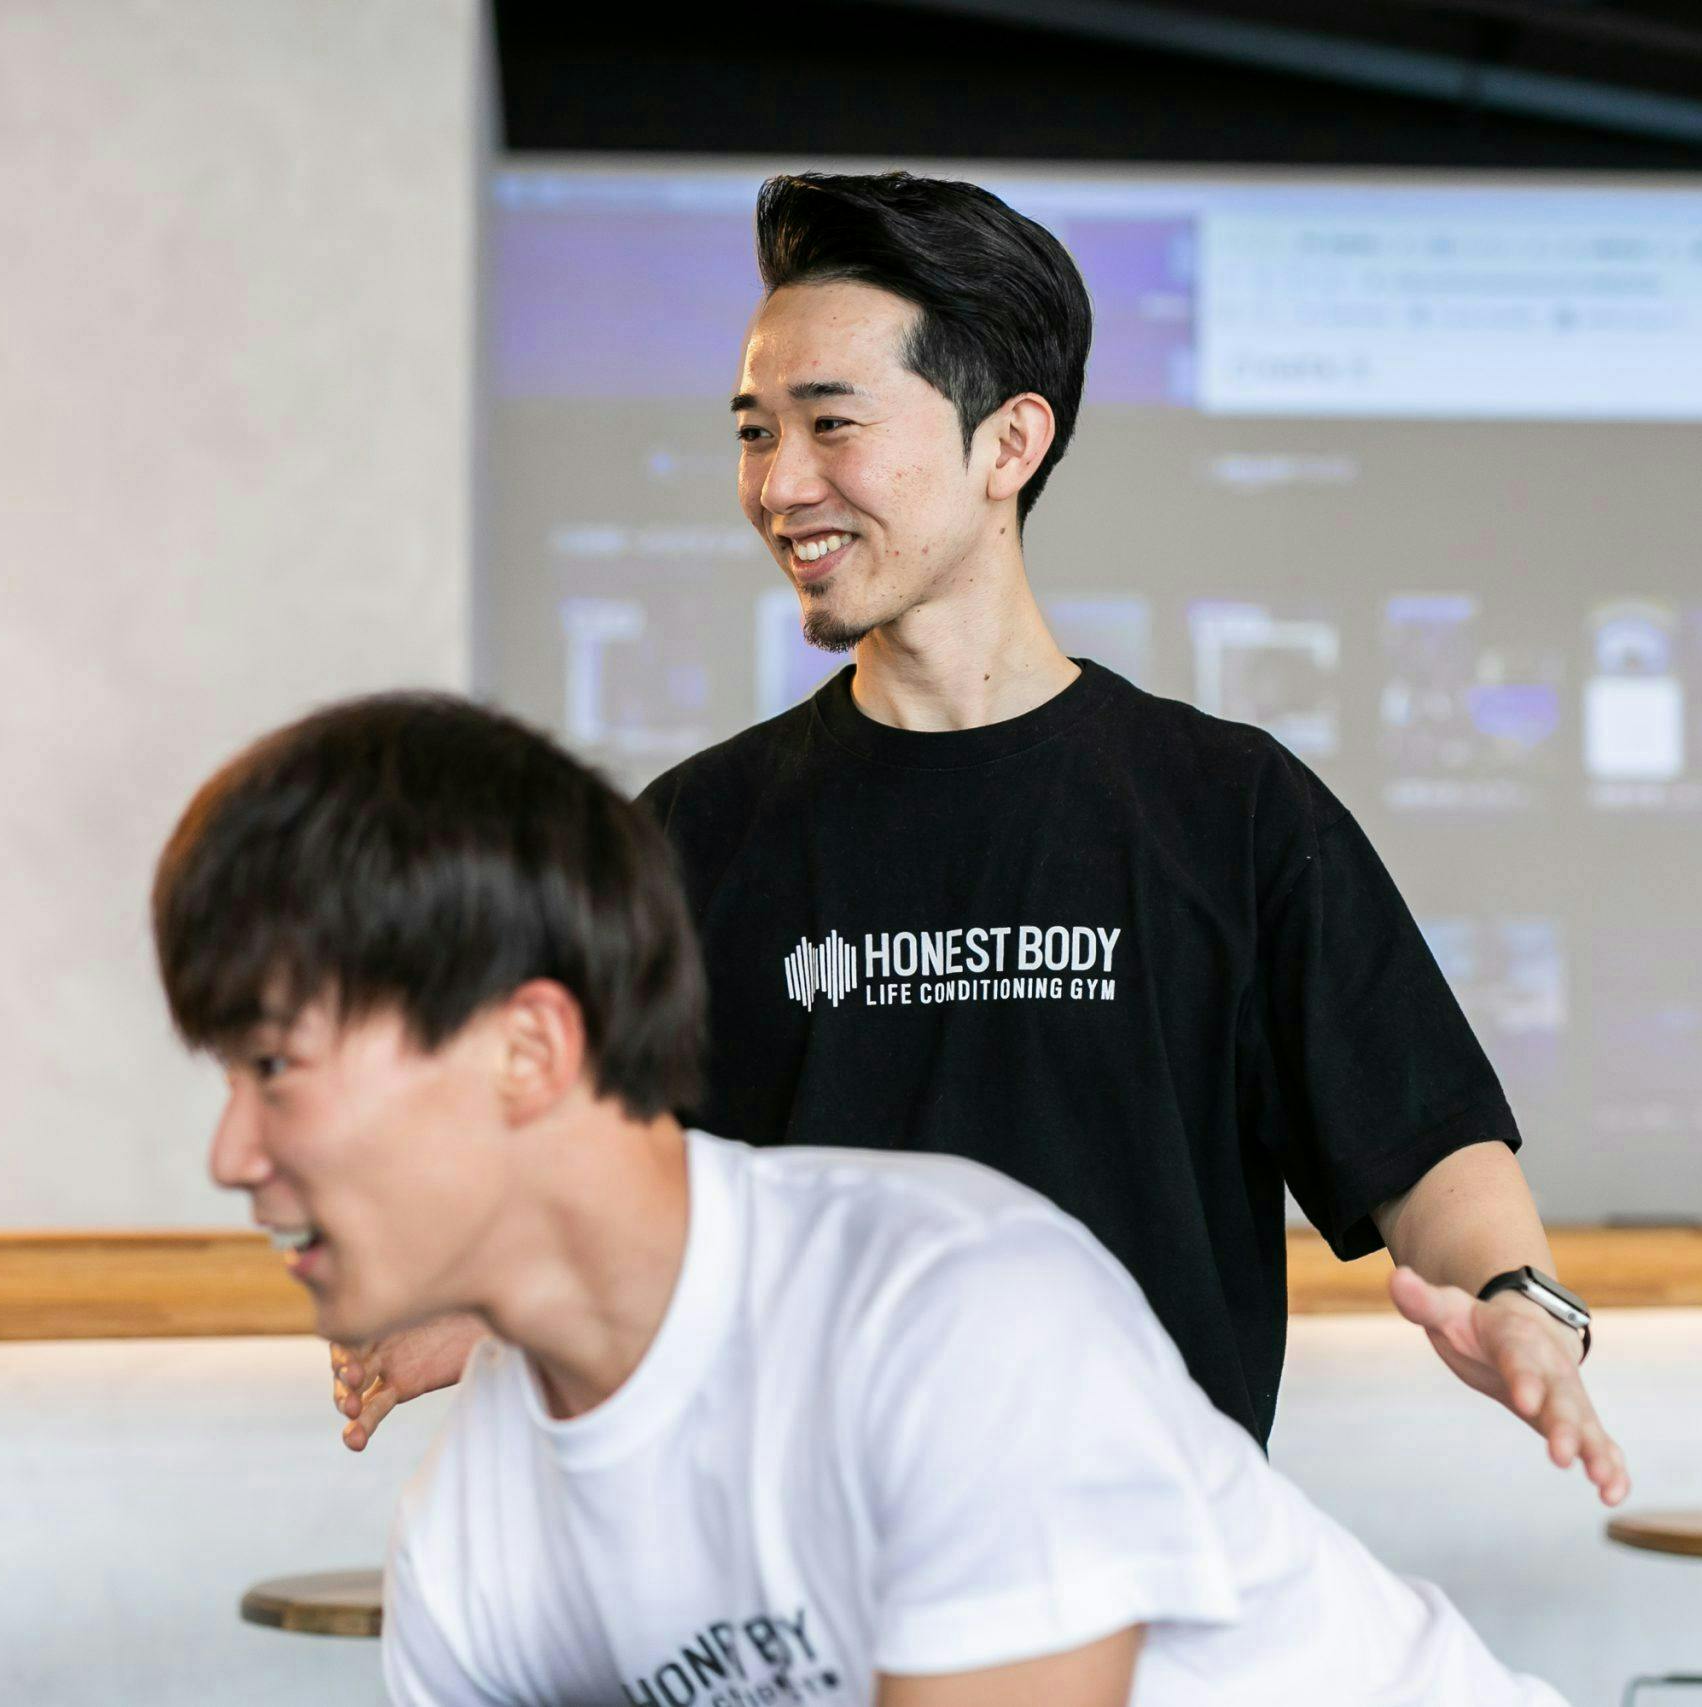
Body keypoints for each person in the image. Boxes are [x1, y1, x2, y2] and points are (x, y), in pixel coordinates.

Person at [332, 170, 1628, 1506]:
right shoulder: (692, 833)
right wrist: (485, 1293)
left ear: (1008, 445)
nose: (780, 484)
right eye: (755, 433)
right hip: (792, 1567)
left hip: (1146, 1565)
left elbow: (1424, 1146)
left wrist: (1516, 1300)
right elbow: (593, 1190)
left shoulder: (1230, 809)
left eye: (832, 424)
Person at [156, 693, 1569, 1707]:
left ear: (530, 1048)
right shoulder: (476, 1537)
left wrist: (1521, 1297)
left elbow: (1425, 1139)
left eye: (275, 1067)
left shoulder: (966, 1322)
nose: (229, 1152)